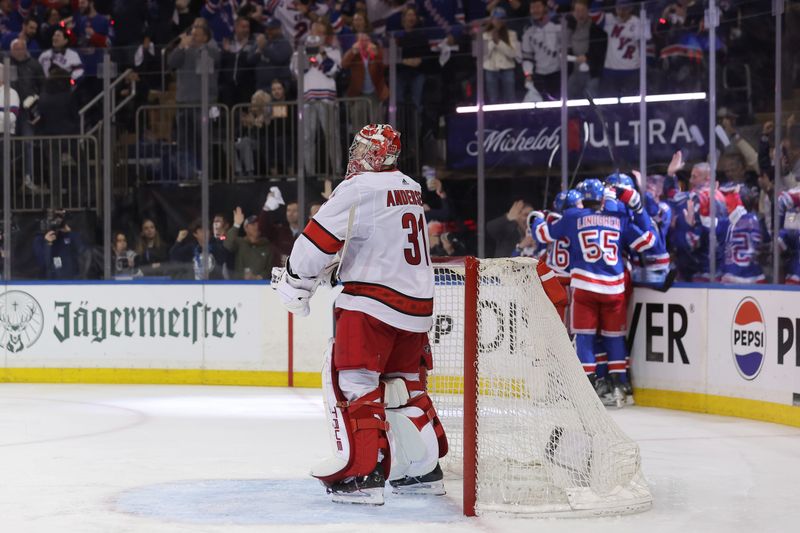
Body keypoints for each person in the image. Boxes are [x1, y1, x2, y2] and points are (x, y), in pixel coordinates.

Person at [275, 124, 447, 505]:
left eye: (363, 148)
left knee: (355, 385)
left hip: (372, 306)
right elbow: (377, 239)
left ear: (377, 154)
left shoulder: (359, 189)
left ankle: (362, 476)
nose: (356, 155)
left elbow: (315, 242)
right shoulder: (411, 187)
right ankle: (423, 472)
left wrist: (296, 281)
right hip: (417, 309)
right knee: (407, 386)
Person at [536, 178, 655, 407]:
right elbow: (647, 241)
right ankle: (621, 386)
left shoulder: (572, 216)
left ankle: (587, 391)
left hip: (585, 288)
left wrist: (537, 218)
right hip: (615, 288)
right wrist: (638, 209)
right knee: (614, 338)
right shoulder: (618, 218)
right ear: (602, 198)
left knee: (585, 339)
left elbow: (543, 235)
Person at [521, 0, 561, 100]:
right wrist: (528, 74)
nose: (535, 10)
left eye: (538, 7)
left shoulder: (557, 26)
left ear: (545, 8)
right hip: (539, 75)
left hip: (558, 73)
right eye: (532, 8)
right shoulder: (528, 32)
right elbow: (527, 56)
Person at [482, 7, 520, 104]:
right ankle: (495, 118)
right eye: (496, 19)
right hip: (490, 70)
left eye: (501, 19)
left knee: (510, 99)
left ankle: (511, 118)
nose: (498, 21)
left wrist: (498, 42)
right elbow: (483, 56)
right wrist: (493, 40)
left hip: (507, 69)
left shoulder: (512, 34)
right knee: (493, 99)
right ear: (491, 20)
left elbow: (513, 54)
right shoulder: (484, 35)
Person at [224, 207, 273, 279]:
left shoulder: (267, 245)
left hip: (262, 287)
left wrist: (258, 277)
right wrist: (236, 224)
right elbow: (227, 245)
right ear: (245, 228)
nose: (257, 227)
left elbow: (270, 268)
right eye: (253, 224)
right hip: (240, 285)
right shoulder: (239, 242)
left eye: (259, 225)